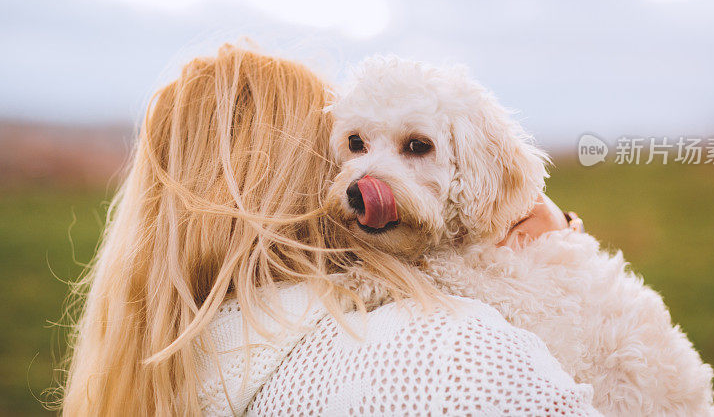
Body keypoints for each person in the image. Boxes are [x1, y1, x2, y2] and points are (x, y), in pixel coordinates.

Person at [62, 45, 598, 416]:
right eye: (353, 147)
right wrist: (564, 235)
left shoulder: (158, 369)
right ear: (309, 170)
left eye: (415, 147)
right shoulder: (461, 351)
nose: (366, 178)